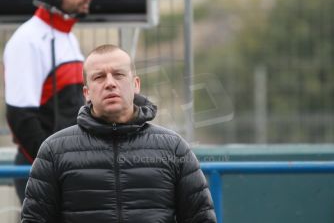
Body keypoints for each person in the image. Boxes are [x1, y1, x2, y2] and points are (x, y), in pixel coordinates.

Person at [21, 44, 217, 222]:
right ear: (86, 92)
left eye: (119, 75)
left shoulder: (174, 148)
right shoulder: (54, 151)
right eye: (99, 77)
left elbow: (200, 218)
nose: (110, 83)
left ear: (136, 84)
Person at [3, 0, 94, 203]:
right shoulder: (27, 40)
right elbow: (21, 118)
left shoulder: (68, 36)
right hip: (45, 175)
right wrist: (55, 169)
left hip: (68, 172)